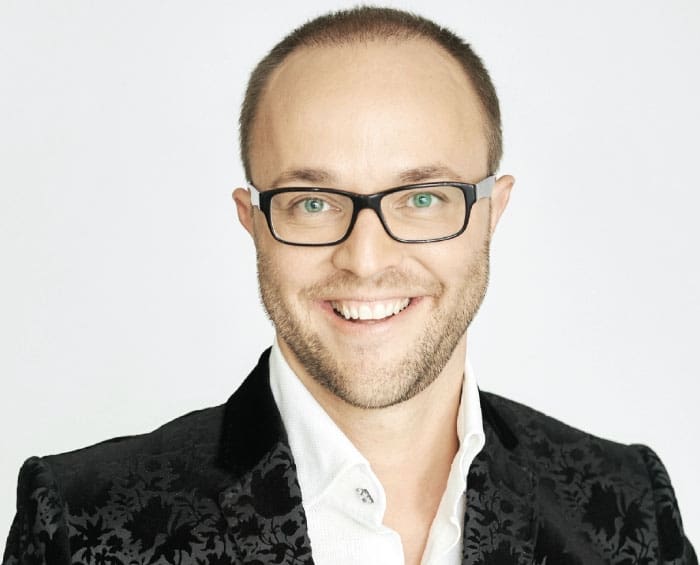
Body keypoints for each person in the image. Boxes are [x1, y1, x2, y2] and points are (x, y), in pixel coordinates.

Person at [3, 6, 695, 565]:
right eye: (312, 202)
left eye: (422, 198)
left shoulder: (628, 505)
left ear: (492, 212)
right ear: (252, 221)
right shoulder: (80, 522)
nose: (365, 259)